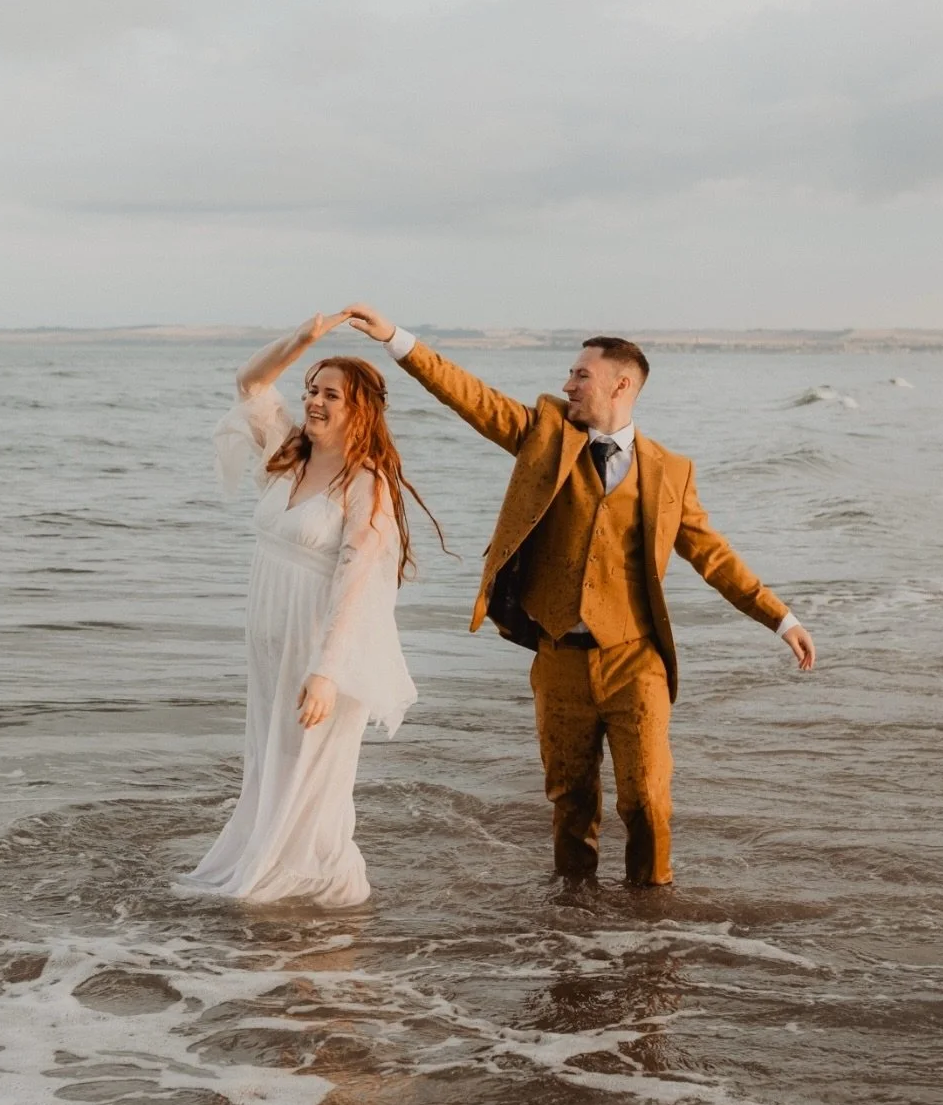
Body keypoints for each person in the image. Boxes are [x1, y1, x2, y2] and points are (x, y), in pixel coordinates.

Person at [346, 305, 816, 888]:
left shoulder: (670, 472)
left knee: (647, 802)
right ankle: (573, 931)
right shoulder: (545, 435)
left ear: (621, 384)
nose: (567, 384)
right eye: (569, 374)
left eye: (580, 375)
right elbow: (470, 397)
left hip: (633, 660)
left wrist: (781, 618)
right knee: (570, 803)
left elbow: (714, 557)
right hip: (558, 658)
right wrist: (397, 339)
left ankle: (653, 928)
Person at [179, 311, 441, 907]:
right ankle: (266, 861)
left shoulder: (365, 483)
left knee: (308, 767)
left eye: (329, 394)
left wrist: (328, 670)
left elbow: (354, 583)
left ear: (359, 409)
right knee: (268, 757)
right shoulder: (288, 453)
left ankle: (306, 879)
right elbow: (249, 384)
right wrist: (304, 340)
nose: (313, 402)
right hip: (269, 636)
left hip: (318, 643)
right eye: (310, 390)